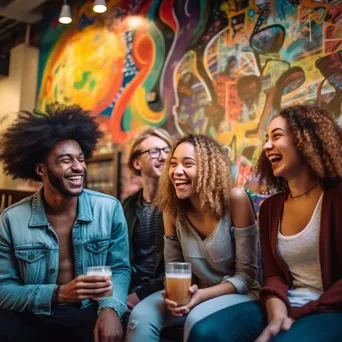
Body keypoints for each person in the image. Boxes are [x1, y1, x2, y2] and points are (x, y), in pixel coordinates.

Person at [188, 105, 342, 342]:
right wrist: (277, 315)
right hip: (282, 304)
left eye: (276, 136)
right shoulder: (270, 208)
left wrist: (299, 315)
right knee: (205, 332)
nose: (267, 146)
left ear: (307, 139)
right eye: (266, 139)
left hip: (331, 308)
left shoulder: (336, 196)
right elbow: (273, 277)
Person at [0, 104, 131, 342]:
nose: (79, 167)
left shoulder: (109, 209)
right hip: (32, 314)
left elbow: (120, 268)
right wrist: (58, 294)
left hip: (88, 312)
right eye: (65, 160)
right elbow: (3, 289)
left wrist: (111, 309)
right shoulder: (11, 219)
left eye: (81, 159)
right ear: (41, 169)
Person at [126, 134, 260, 342]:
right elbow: (175, 269)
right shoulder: (171, 208)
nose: (176, 171)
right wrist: (173, 295)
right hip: (194, 293)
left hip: (240, 294)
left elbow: (247, 275)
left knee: (197, 319)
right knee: (140, 317)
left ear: (209, 168)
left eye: (187, 164)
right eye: (173, 164)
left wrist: (200, 296)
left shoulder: (236, 199)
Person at [122, 128, 172, 312]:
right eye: (154, 151)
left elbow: (182, 264)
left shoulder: (178, 204)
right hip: (129, 290)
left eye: (167, 150)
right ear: (137, 163)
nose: (163, 157)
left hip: (164, 290)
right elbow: (120, 257)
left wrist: (139, 295)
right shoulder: (128, 205)